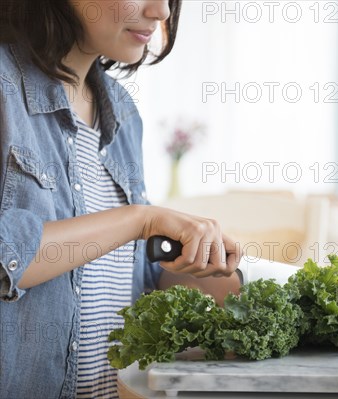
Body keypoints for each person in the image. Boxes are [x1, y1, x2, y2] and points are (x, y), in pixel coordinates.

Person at [0, 1, 243, 397]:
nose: (161, 11)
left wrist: (217, 273)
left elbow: (134, 280)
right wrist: (138, 219)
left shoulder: (124, 113)